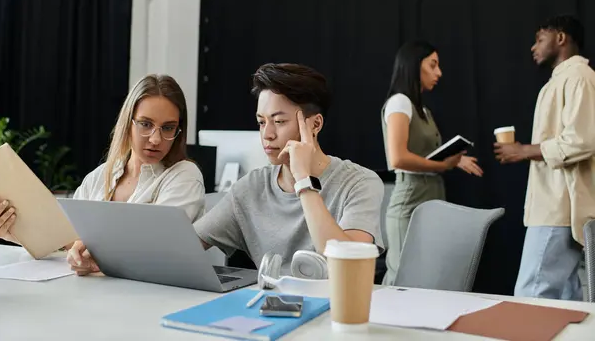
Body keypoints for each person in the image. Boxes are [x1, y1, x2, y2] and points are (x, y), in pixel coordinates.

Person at [67, 63, 384, 276]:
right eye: (261, 122)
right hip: (273, 317)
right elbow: (178, 249)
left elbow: (348, 266)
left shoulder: (359, 183)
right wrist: (102, 261)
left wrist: (304, 182)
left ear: (314, 125)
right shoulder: (251, 189)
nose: (267, 134)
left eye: (280, 121)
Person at [494, 15, 595, 301]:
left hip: (560, 206)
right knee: (566, 300)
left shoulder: (579, 78)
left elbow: (583, 140)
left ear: (561, 38)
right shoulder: (561, 80)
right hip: (551, 203)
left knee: (532, 294)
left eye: (540, 39)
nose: (533, 47)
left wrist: (524, 150)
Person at [67, 74, 206, 275]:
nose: (156, 139)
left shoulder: (185, 175)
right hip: (95, 295)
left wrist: (90, 252)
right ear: (128, 123)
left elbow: (154, 247)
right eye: (146, 124)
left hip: (157, 299)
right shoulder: (100, 176)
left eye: (168, 128)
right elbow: (65, 236)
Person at [381, 41, 483, 285]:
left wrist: (455, 160)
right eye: (433, 65)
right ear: (415, 66)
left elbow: (424, 153)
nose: (439, 73)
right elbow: (398, 158)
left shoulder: (423, 110)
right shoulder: (400, 103)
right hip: (410, 199)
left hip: (430, 197)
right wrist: (443, 166)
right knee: (401, 275)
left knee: (425, 275)